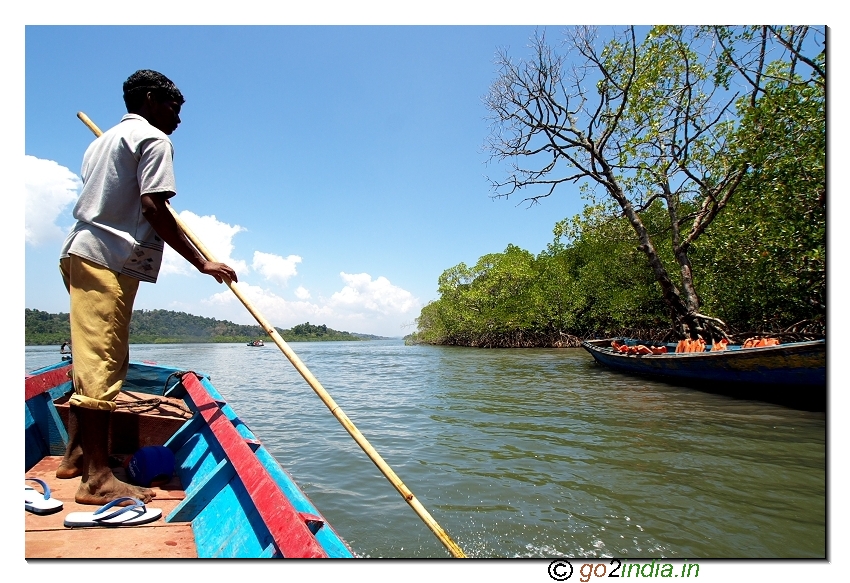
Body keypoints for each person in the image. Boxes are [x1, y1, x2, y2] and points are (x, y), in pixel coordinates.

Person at [57, 70, 238, 506]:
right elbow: (153, 206)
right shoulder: (155, 140)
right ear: (152, 99)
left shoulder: (101, 143)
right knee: (103, 362)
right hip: (108, 259)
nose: (177, 118)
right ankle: (97, 480)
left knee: (92, 355)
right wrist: (202, 262)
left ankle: (78, 455)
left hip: (81, 254)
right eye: (174, 107)